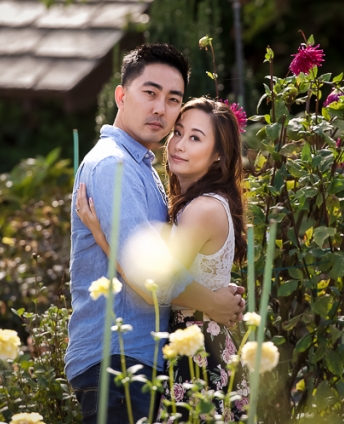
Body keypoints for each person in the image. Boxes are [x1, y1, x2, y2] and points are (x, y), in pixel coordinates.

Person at [66, 44, 245, 424]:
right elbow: (151, 275)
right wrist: (213, 303)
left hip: (145, 361)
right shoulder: (114, 165)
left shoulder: (145, 169)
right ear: (121, 95)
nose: (161, 109)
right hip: (119, 359)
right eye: (150, 93)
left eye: (173, 99)